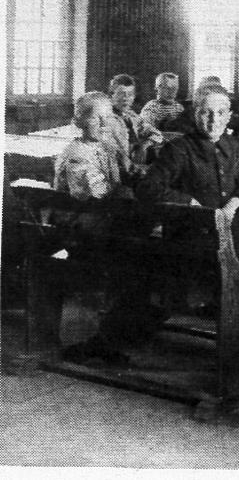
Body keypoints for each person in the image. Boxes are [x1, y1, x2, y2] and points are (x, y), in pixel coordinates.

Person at [136, 84, 239, 298]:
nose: (214, 120)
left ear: (229, 116)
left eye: (221, 113)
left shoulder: (231, 145)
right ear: (195, 114)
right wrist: (190, 203)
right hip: (193, 241)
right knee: (235, 279)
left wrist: (234, 204)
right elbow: (147, 188)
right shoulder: (179, 149)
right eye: (207, 112)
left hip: (231, 237)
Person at [53, 91, 165, 364]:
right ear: (78, 121)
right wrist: (129, 189)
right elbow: (98, 197)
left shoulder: (105, 147)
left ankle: (125, 327)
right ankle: (102, 338)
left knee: (150, 253)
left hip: (103, 226)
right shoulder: (77, 154)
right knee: (141, 257)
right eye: (96, 118)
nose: (104, 124)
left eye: (108, 117)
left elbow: (129, 175)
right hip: (80, 232)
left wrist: (143, 175)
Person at [106, 73, 163, 173]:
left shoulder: (132, 117)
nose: (125, 98)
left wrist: (144, 145)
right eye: (121, 94)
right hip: (118, 169)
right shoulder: (106, 118)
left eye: (130, 94)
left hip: (136, 165)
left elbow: (157, 134)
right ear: (111, 95)